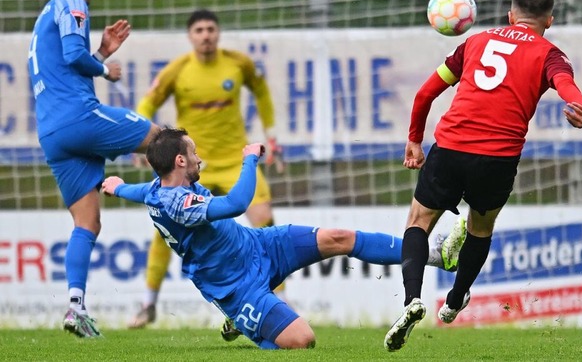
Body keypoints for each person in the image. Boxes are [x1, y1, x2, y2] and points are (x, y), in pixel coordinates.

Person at [101, 127, 465, 349]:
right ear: (180, 161)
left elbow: (140, 192)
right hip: (237, 286)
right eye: (193, 153)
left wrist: (117, 187)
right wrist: (249, 160)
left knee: (338, 236)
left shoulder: (155, 189)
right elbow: (237, 203)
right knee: (302, 341)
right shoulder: (180, 202)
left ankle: (437, 253)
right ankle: (243, 322)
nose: (199, 159)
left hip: (259, 245)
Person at [384, 0, 582, 352]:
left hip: (451, 145)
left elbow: (424, 94)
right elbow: (567, 88)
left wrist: (415, 140)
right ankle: (455, 299)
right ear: (550, 20)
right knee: (480, 229)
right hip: (498, 158)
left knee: (418, 221)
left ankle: (411, 300)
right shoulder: (551, 54)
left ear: (510, 15)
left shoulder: (475, 43)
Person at [27, 0, 161, 338]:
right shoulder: (69, 5)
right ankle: (190, 213)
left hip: (53, 134)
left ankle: (75, 308)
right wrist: (106, 68)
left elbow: (66, 67)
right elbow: (75, 58)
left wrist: (100, 52)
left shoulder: (43, 20)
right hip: (79, 119)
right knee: (166, 140)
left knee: (87, 223)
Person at [128, 9, 284, 337]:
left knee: (265, 222)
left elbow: (261, 91)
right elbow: (146, 104)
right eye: (199, 30)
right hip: (189, 165)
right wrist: (143, 142)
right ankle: (148, 303)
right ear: (190, 36)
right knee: (165, 230)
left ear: (218, 32)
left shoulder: (238, 63)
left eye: (211, 29)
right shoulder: (178, 71)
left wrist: (270, 133)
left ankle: (273, 303)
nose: (206, 35)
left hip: (232, 160)